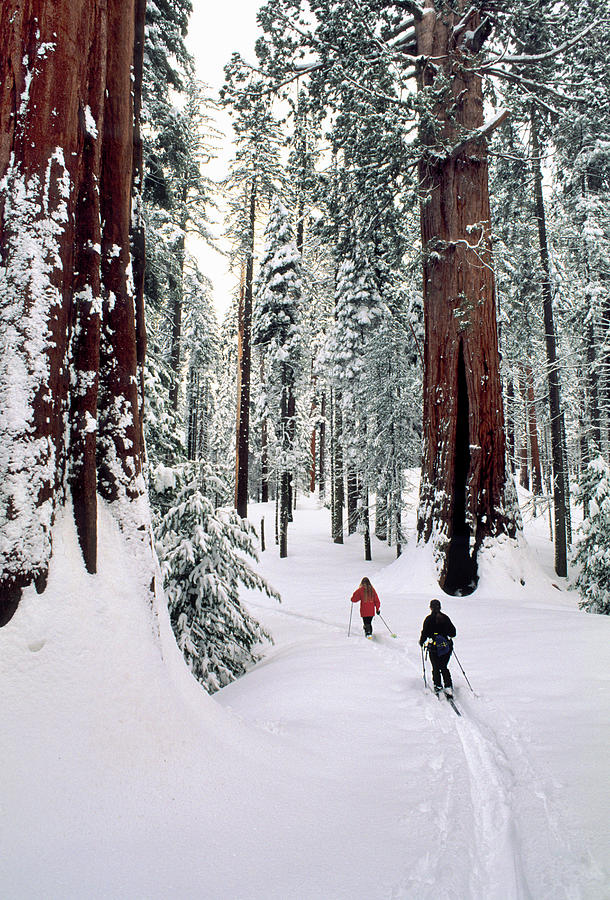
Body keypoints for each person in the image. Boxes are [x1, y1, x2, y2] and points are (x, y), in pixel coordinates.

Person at [419, 599, 456, 696]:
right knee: (444, 666)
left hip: (434, 648)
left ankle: (438, 685)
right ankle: (448, 686)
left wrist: (421, 642)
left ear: (430, 607)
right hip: (446, 648)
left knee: (435, 667)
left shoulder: (428, 619)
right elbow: (453, 633)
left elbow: (425, 633)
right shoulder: (445, 618)